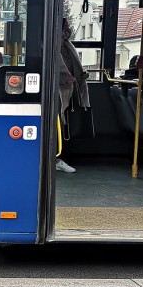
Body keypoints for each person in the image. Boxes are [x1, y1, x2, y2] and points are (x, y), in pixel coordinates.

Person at [57, 18, 91, 173]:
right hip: (58, 91)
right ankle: (56, 158)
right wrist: (65, 78)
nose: (67, 31)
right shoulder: (50, 46)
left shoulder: (67, 46)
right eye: (64, 28)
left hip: (70, 90)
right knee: (57, 124)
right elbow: (47, 70)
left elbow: (73, 66)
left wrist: (81, 75)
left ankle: (62, 156)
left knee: (66, 125)